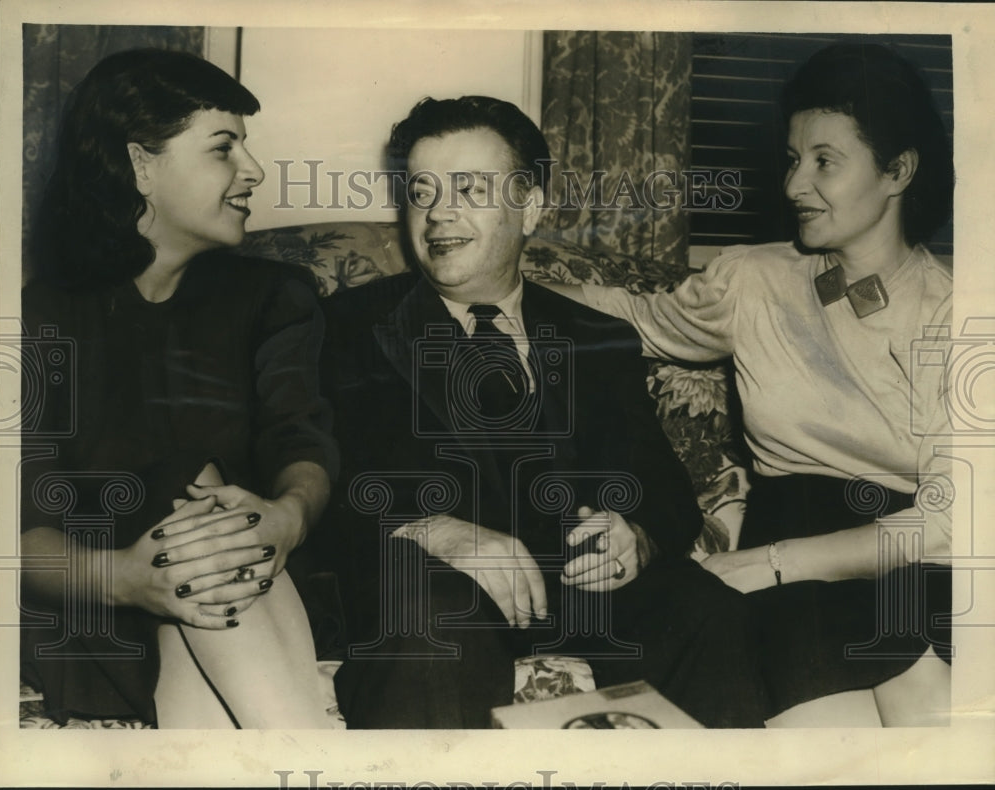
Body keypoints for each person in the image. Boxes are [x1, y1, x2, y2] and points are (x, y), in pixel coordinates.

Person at [318, 95, 768, 729]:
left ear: (530, 206)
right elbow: (307, 479)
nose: (439, 212)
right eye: (421, 191)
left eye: (469, 190)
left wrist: (634, 535)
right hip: (425, 590)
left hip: (583, 592)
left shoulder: (598, 335)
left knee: (707, 611)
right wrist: (430, 529)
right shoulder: (342, 328)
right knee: (433, 617)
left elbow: (663, 488)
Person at [552, 43, 954, 725]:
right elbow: (627, 318)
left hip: (899, 561)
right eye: (793, 159)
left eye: (825, 161)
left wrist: (771, 564)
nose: (796, 184)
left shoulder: (960, 313)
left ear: (899, 171)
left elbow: (950, 522)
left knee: (927, 710)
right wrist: (496, 277)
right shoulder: (753, 281)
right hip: (795, 565)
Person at [19, 48, 337, 728]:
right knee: (172, 484)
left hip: (258, 587)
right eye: (225, 149)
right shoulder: (42, 318)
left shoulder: (275, 297)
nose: (253, 171)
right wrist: (125, 578)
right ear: (141, 165)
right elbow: (13, 527)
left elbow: (300, 437)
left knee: (192, 495)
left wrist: (288, 515)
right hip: (103, 603)